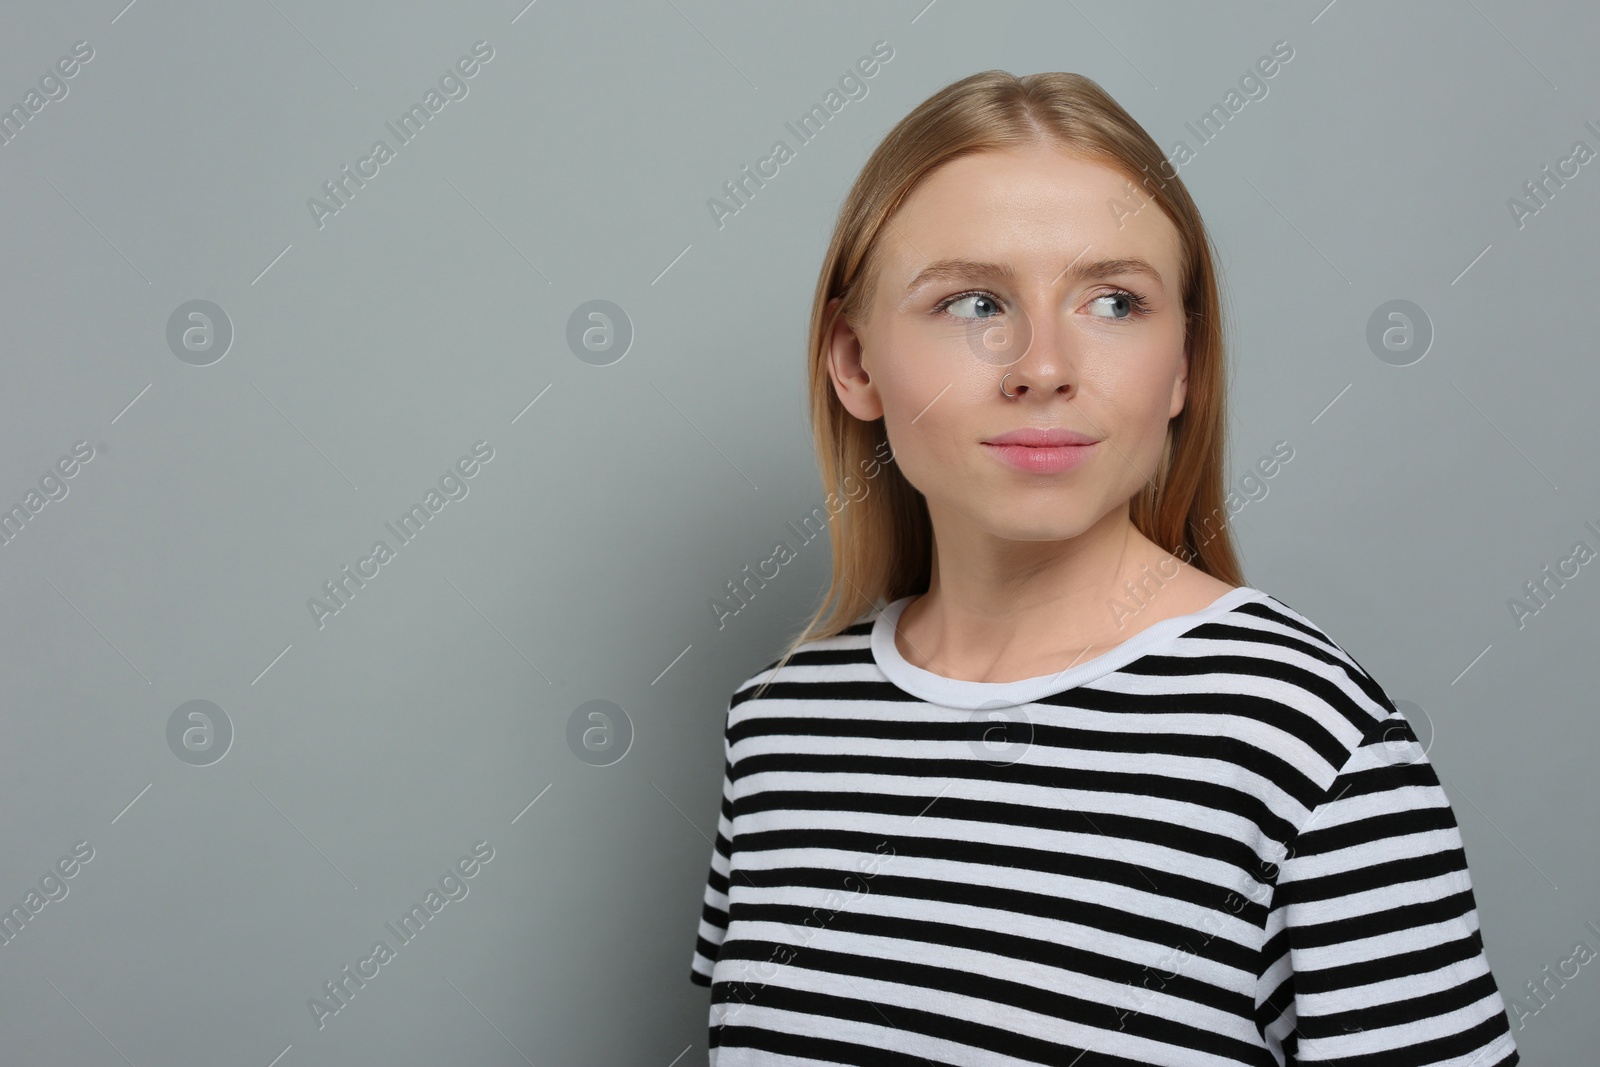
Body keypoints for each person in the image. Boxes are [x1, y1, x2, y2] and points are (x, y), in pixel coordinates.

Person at [688, 69, 1519, 1066]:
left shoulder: (1306, 745)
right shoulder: (780, 728)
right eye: (972, 300)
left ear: (1183, 367)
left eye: (1114, 300)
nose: (1042, 364)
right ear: (855, 362)